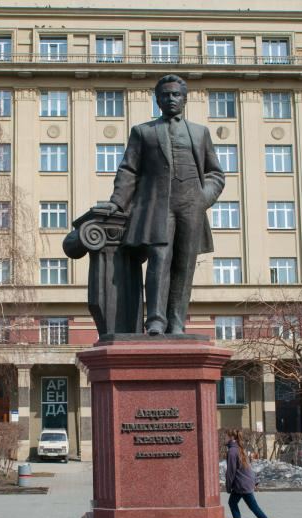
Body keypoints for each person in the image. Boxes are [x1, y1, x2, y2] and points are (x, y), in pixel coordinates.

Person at [103, 74, 225, 335]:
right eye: (165, 95)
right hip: (158, 206)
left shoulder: (200, 133)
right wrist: (117, 202)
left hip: (191, 205)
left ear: (185, 98)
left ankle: (177, 322)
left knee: (184, 263)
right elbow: (128, 171)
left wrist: (203, 198)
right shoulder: (143, 132)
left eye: (176, 94)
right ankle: (156, 321)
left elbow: (215, 173)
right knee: (159, 259)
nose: (171, 99)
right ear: (158, 99)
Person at [226, 429, 281, 518]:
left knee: (251, 506)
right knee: (234, 502)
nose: (225, 438)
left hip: (241, 484)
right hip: (246, 482)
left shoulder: (232, 451)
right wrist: (254, 481)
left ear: (232, 438)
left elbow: (231, 471)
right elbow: (248, 469)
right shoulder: (240, 449)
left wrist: (228, 486)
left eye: (226, 436)